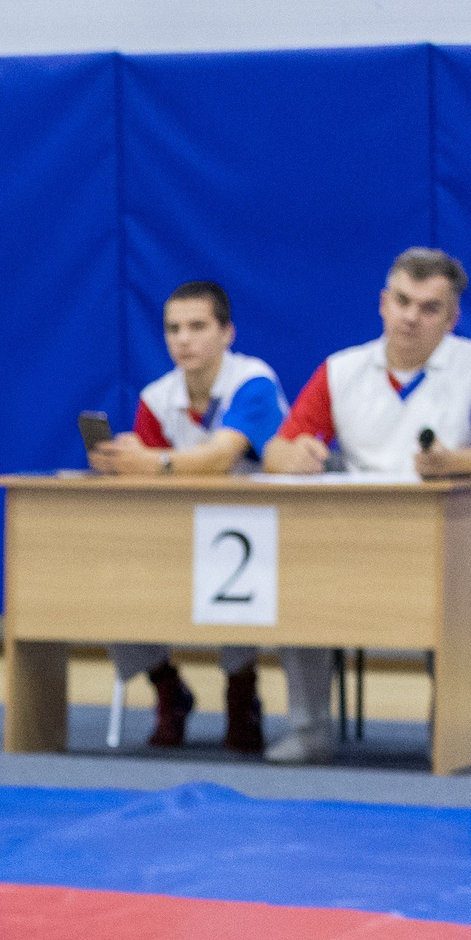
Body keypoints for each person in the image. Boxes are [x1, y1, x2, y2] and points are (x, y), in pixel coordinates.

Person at [262, 247, 471, 762]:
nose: (411, 317)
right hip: (353, 538)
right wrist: (294, 455)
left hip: (452, 541)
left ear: (451, 317)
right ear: (383, 303)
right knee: (296, 577)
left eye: (429, 308)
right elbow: (275, 447)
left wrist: (459, 463)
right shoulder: (342, 370)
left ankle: (455, 729)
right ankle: (309, 728)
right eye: (402, 301)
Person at [88, 280, 289, 753]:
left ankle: (242, 692)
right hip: (178, 532)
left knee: (234, 573)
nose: (183, 339)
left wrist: (153, 462)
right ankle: (166, 688)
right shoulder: (157, 398)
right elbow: (144, 482)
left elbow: (222, 457)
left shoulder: (253, 382)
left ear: (227, 333)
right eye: (173, 329)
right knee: (108, 578)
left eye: (197, 327)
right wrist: (121, 463)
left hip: (265, 535)